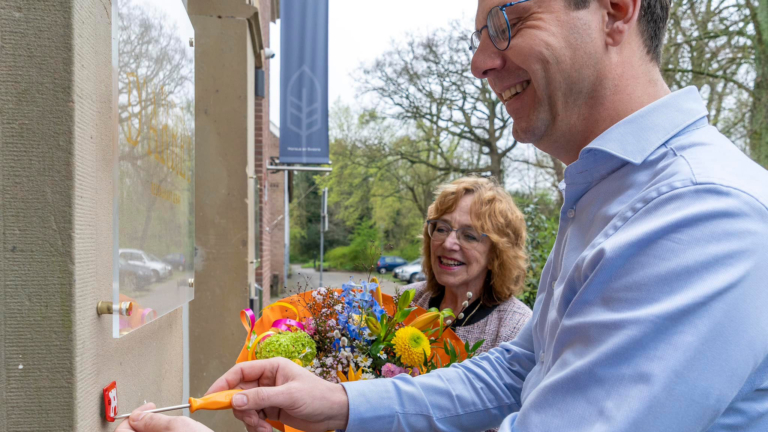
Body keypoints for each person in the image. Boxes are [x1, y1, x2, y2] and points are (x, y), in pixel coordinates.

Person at [118, 0, 768, 430]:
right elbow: (520, 370)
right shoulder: (604, 192)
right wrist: (341, 403)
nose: (481, 61)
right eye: (479, 37)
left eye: (508, 21)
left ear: (615, 10)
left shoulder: (698, 213)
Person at [410, 177, 532, 356]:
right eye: (442, 229)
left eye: (469, 236)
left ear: (496, 255)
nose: (448, 244)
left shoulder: (516, 329)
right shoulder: (407, 301)